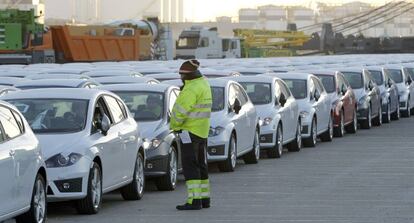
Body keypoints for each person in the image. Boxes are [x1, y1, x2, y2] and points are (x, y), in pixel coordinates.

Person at [170, 59, 212, 211]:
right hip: (202, 131)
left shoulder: (191, 89)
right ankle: (204, 199)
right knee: (201, 165)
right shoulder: (204, 84)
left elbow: (181, 111)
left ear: (188, 75)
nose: (181, 78)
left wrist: (174, 126)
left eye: (182, 75)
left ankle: (194, 201)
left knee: (190, 167)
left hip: (189, 131)